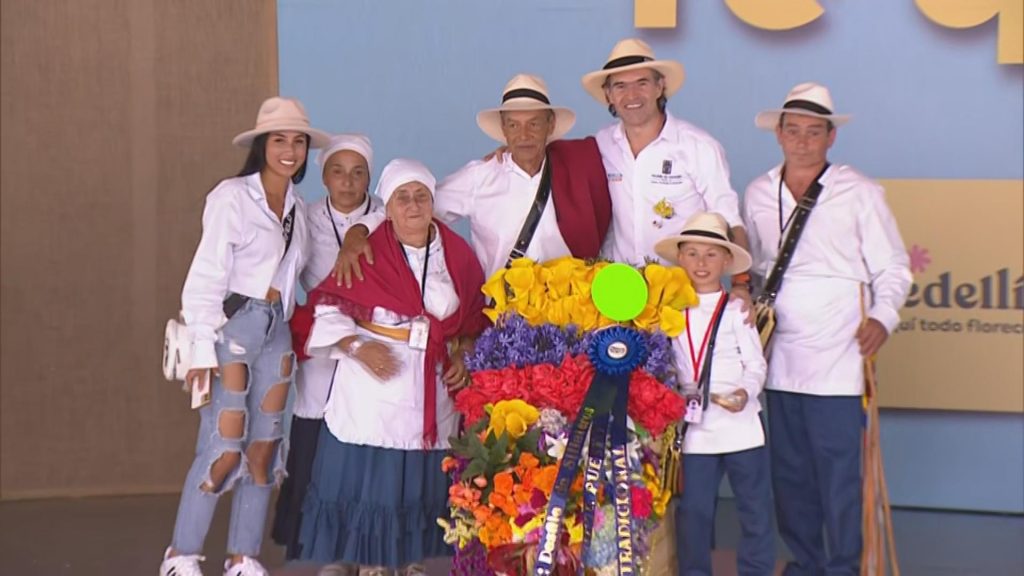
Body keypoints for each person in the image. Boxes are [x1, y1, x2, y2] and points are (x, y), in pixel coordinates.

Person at [742, 82, 911, 576]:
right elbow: (752, 270)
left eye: (813, 132)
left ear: (830, 137)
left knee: (839, 474)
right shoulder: (757, 191)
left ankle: (842, 567)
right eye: (792, 130)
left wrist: (883, 317)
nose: (802, 141)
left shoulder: (858, 191)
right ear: (778, 133)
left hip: (839, 354)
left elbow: (894, 267)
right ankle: (805, 563)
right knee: (789, 474)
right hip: (778, 360)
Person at [161, 97, 330, 576]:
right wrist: (199, 344)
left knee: (264, 448)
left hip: (277, 332)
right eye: (280, 140)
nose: (290, 150)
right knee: (223, 443)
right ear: (262, 145)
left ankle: (243, 556)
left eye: (298, 142)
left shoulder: (298, 207)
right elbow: (207, 273)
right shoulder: (232, 196)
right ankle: (182, 554)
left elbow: (307, 275)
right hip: (232, 330)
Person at [297, 159, 489, 576]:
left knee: (417, 476)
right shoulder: (366, 253)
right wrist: (356, 346)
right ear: (388, 207)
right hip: (374, 381)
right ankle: (371, 561)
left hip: (432, 383)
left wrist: (463, 353)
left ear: (433, 202)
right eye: (403, 197)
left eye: (421, 196)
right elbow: (328, 306)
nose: (413, 205)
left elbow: (474, 318)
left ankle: (410, 558)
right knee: (373, 475)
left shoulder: (457, 254)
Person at [334, 73, 610, 285]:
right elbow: (412, 207)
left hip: (567, 311)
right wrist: (358, 231)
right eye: (514, 125)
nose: (523, 135)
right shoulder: (479, 177)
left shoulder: (576, 165)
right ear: (503, 129)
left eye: (534, 124)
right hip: (503, 319)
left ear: (550, 125)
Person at [271, 134, 383, 561]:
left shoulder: (385, 215)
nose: (348, 182)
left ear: (369, 176)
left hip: (375, 339)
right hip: (322, 339)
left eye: (358, 173)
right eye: (338, 171)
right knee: (316, 436)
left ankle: (369, 547)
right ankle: (321, 546)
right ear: (324, 176)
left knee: (370, 446)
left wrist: (358, 231)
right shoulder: (305, 215)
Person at [581, 38, 753, 310]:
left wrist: (743, 285)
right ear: (608, 95)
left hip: (684, 298)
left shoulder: (698, 146)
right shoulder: (599, 146)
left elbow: (730, 220)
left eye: (642, 83)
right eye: (620, 86)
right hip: (619, 298)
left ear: (660, 86)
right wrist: (506, 153)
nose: (632, 95)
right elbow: (548, 159)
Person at [654, 212, 773, 576]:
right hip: (696, 431)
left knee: (755, 509)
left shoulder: (738, 309)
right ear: (680, 258)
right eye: (692, 253)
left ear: (726, 261)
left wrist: (745, 391)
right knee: (694, 512)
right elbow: (665, 365)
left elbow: (757, 365)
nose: (701, 263)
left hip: (742, 427)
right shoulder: (669, 311)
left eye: (711, 255)